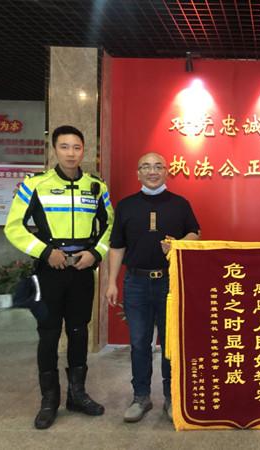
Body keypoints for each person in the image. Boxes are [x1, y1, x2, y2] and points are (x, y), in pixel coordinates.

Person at [4, 125, 114, 429]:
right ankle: (49, 400)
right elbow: (13, 227)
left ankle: (77, 395)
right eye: (64, 147)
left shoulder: (96, 187)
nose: (71, 153)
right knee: (49, 333)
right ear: (54, 149)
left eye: (76, 147)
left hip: (82, 271)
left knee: (79, 331)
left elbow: (110, 225)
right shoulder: (35, 185)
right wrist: (44, 252)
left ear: (84, 150)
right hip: (49, 271)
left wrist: (96, 253)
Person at [105, 152, 200, 423]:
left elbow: (195, 233)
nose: (152, 171)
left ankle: (171, 397)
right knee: (139, 343)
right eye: (146, 167)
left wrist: (179, 243)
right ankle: (141, 397)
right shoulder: (126, 205)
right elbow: (117, 246)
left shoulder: (180, 204)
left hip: (170, 282)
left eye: (158, 166)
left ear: (166, 171)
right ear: (138, 173)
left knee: (170, 342)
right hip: (135, 282)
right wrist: (111, 282)